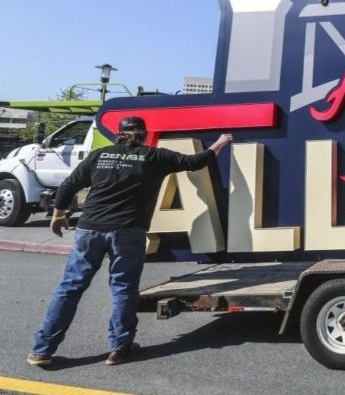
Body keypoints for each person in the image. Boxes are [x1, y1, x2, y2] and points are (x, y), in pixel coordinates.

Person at [27, 117, 232, 367]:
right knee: (123, 289)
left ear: (118, 134)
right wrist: (220, 142)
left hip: (89, 229)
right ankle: (119, 348)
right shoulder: (154, 157)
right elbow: (195, 162)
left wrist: (58, 215)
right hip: (127, 232)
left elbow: (69, 185)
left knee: (70, 288)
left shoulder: (99, 156)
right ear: (144, 135)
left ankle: (42, 350)